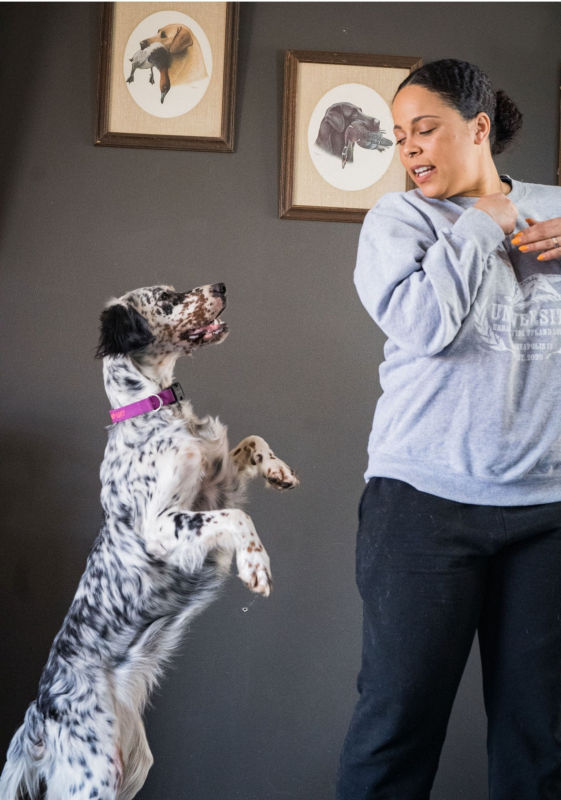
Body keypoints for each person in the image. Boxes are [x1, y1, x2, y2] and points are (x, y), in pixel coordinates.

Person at [336, 59, 561, 800]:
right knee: (396, 729)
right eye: (399, 137)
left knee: (542, 745)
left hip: (546, 514)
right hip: (421, 506)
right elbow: (423, 326)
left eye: (423, 129)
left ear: (478, 127)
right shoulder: (397, 220)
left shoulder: (555, 211)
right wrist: (479, 224)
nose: (409, 149)